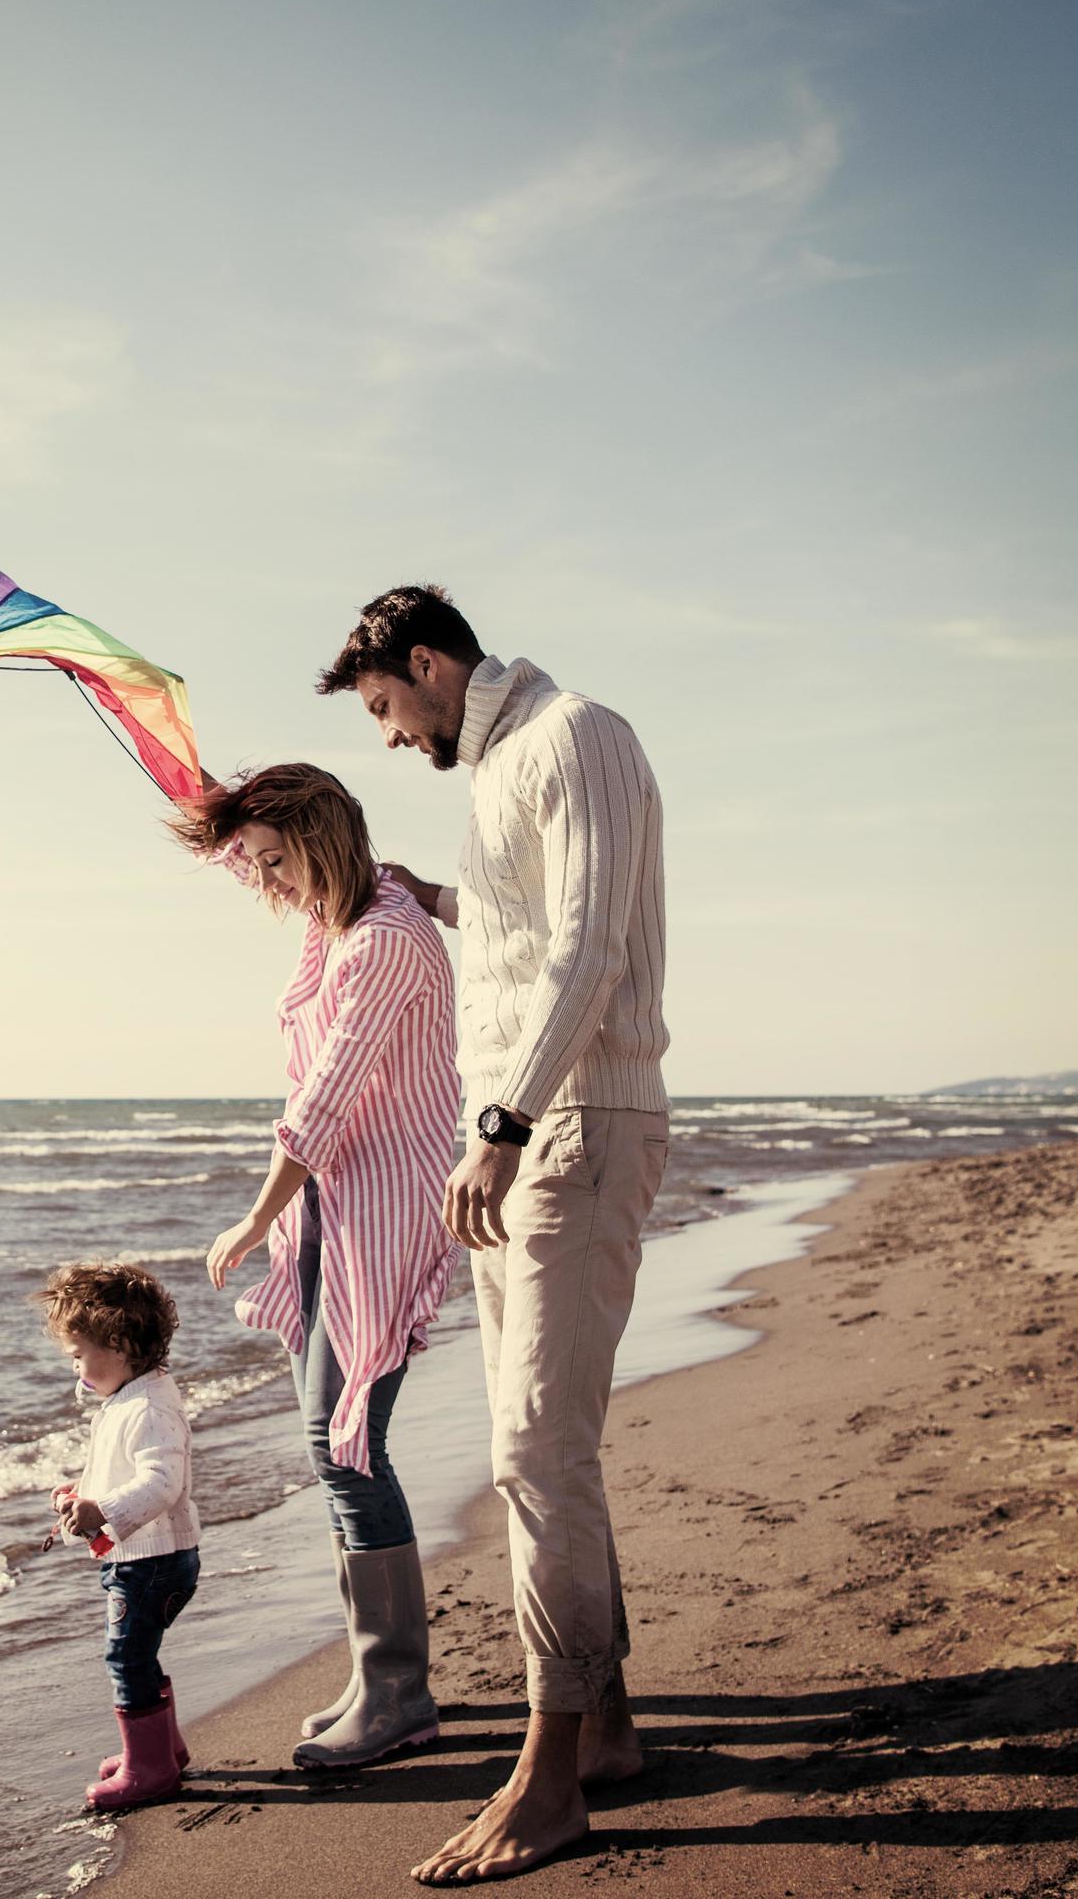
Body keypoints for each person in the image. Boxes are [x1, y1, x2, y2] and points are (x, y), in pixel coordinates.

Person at [318, 586, 668, 1886]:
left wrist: (504, 1124)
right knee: (546, 1452)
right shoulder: (504, 767)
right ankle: (610, 1728)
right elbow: (530, 937)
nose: (392, 739)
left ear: (428, 664)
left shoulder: (579, 735)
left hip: (567, 1130)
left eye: (386, 709)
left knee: (532, 1449)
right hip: (520, 1140)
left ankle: (550, 1773)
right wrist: (443, 899)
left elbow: (593, 945)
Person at [169, 764, 461, 1770]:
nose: (266, 883)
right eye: (254, 867)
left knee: (349, 1448)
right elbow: (265, 854)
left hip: (378, 1208)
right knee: (331, 1443)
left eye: (277, 861)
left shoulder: (382, 940)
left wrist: (254, 1220)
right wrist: (227, 819)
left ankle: (399, 1691)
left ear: (322, 836)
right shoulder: (340, 918)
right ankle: (376, 1677)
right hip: (336, 1208)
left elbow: (328, 1097)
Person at [34, 1261, 203, 1813]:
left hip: (153, 1562)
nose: (77, 1373)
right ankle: (161, 1749)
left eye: (81, 1357)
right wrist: (81, 1491)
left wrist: (101, 1509)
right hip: (142, 1558)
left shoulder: (151, 1405)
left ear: (120, 1343)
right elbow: (122, 1468)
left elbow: (161, 1484)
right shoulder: (129, 1397)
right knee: (139, 1653)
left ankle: (149, 1767)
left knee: (126, 1656)